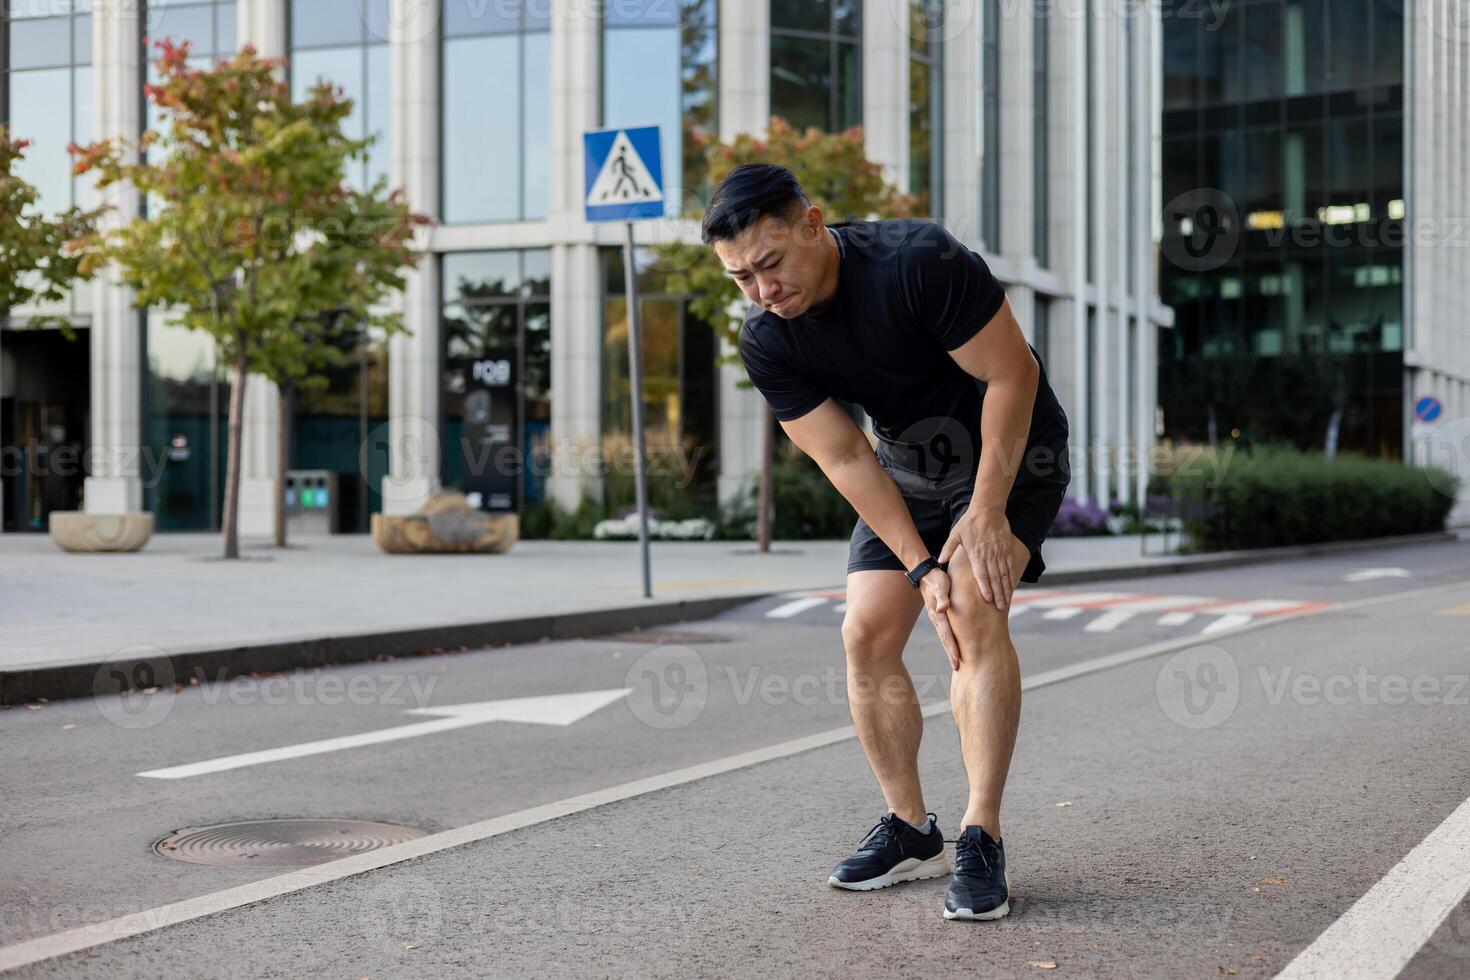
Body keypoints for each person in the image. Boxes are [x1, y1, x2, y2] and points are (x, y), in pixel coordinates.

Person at [703, 164, 1071, 921]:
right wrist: (919, 565)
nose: (763, 290)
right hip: (907, 468)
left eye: (770, 264)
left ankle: (980, 834)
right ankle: (911, 828)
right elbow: (843, 456)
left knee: (972, 610)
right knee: (865, 631)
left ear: (812, 222)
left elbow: (1013, 375)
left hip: (1012, 452)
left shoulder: (917, 263)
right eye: (741, 278)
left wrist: (986, 514)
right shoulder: (768, 338)